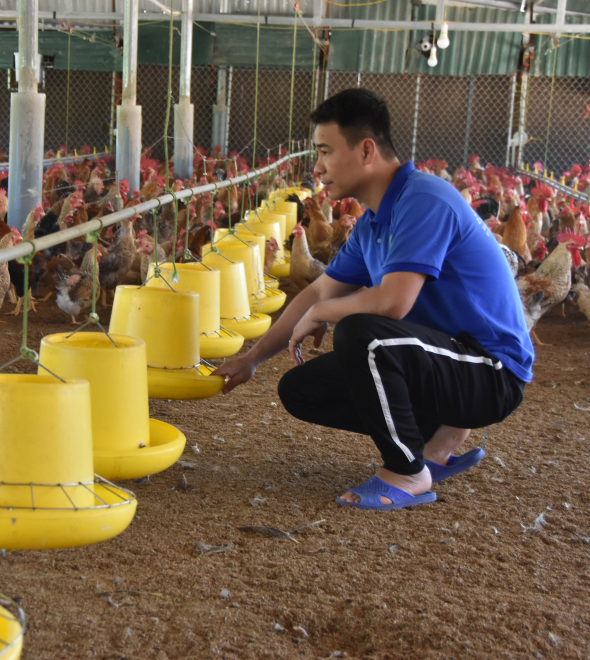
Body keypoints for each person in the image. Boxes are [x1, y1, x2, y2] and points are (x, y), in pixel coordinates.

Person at [212, 88, 533, 510]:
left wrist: (327, 313)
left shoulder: (423, 199)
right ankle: (435, 444)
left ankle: (407, 471)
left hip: (491, 372)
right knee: (301, 389)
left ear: (366, 150)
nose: (318, 167)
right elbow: (317, 290)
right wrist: (253, 359)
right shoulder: (372, 224)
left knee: (363, 334)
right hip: (443, 360)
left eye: (325, 151)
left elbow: (392, 303)